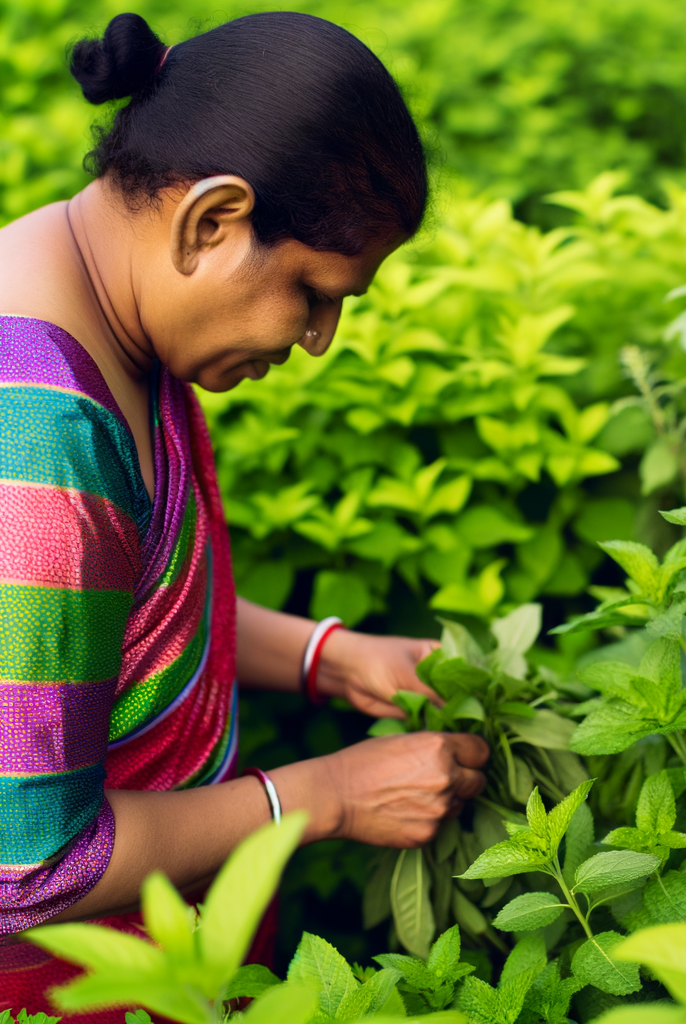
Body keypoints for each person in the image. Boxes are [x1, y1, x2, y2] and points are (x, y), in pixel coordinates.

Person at [0, 11, 489, 1014]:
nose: (317, 338)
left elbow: (105, 628)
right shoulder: (39, 437)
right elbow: (31, 866)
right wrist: (331, 794)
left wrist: (328, 655)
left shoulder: (109, 300)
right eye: (311, 290)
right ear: (210, 219)